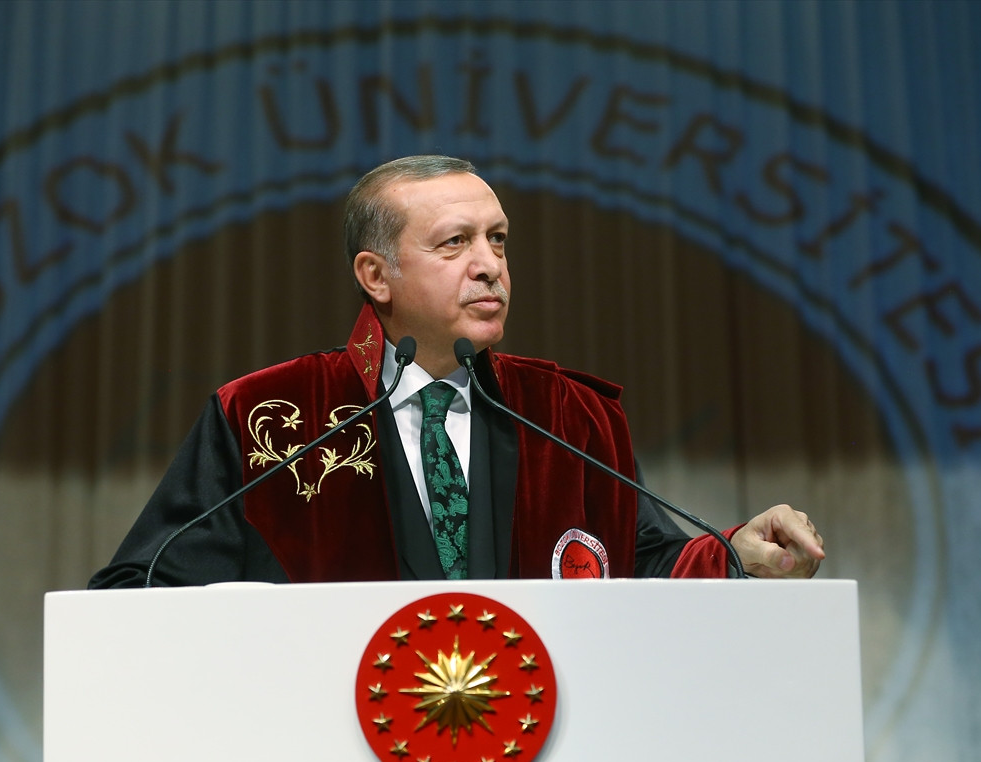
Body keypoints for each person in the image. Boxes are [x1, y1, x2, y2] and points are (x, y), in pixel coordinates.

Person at [89, 155, 824, 588]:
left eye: (497, 240)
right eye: (455, 243)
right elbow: (143, 585)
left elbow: (644, 565)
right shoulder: (271, 413)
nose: (489, 265)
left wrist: (735, 554)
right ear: (376, 275)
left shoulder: (569, 415)